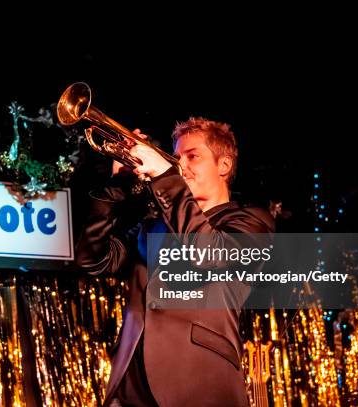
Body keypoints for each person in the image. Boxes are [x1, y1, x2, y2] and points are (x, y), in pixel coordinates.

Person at [76, 117, 275, 406]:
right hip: (131, 388)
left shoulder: (252, 221)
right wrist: (116, 188)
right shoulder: (154, 226)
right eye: (177, 156)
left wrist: (164, 176)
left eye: (193, 156)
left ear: (224, 166)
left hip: (199, 382)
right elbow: (92, 260)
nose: (181, 165)